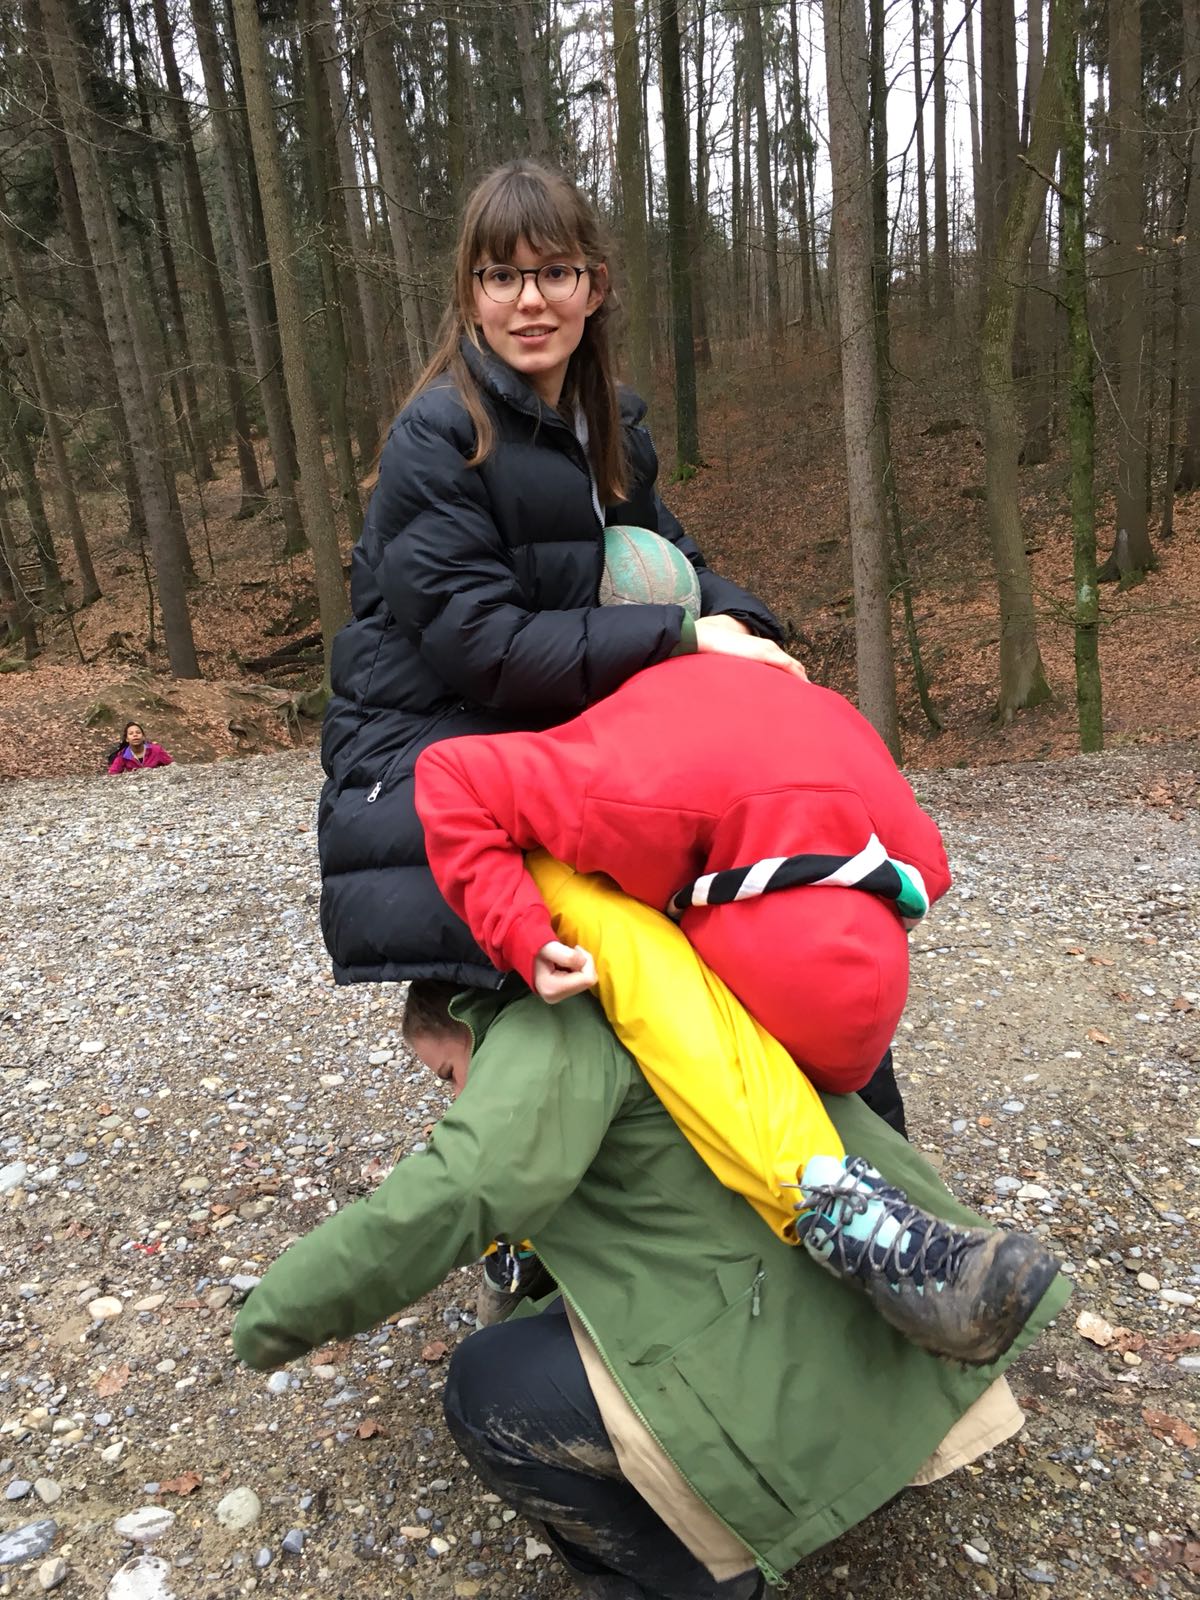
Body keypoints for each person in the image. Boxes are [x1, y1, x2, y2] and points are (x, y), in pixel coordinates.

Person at [232, 872, 1069, 1600]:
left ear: (468, 1016)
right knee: (555, 1321)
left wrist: (275, 1315)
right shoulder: (638, 961)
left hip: (801, 1354)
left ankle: (697, 1579)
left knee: (485, 1390)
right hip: (883, 1311)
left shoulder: (544, 1027)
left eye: (449, 1075)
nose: (455, 1099)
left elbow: (462, 1187)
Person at [315, 157, 909, 1135]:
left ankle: (865, 1150)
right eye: (501, 276)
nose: (530, 300)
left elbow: (672, 562)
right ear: (470, 293)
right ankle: (595, 1197)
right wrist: (682, 637)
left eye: (554, 272)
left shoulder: (607, 424)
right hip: (431, 751)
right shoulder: (438, 438)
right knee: (636, 957)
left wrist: (750, 633)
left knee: (771, 874)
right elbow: (483, 647)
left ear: (594, 285)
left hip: (561, 715)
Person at [412, 655, 1060, 1361]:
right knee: (627, 955)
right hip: (508, 779)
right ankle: (835, 1212)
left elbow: (923, 869)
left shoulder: (775, 759)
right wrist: (522, 933)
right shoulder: (626, 793)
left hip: (672, 758)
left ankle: (884, 1229)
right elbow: (449, 774)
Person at [106, 722, 173, 774]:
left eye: (138, 732)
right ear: (127, 739)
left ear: (143, 737)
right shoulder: (123, 756)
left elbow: (172, 766)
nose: (135, 735)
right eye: (131, 733)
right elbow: (112, 774)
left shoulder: (156, 750)